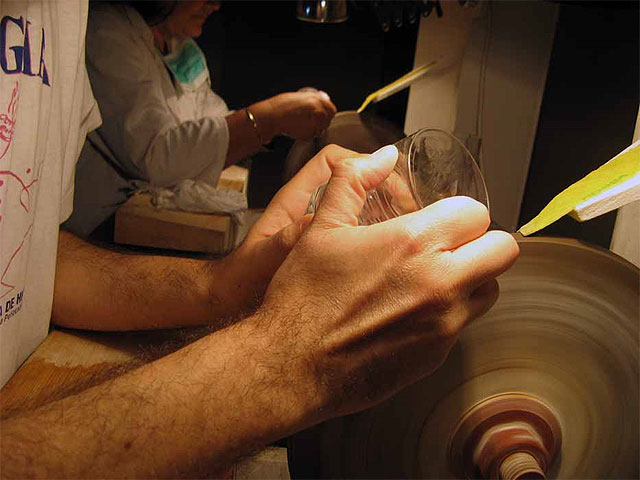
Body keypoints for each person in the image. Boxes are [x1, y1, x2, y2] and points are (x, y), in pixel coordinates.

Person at [0, 0, 519, 477]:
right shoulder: (107, 31)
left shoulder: (59, 14)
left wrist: (222, 284)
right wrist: (292, 363)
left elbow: (34, 255)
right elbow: (159, 153)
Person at [63, 0, 337, 237]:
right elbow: (156, 158)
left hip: (157, 220)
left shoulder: (181, 47)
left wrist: (283, 119)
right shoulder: (107, 33)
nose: (215, 5)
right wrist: (269, 119)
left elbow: (212, 121)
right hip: (103, 234)